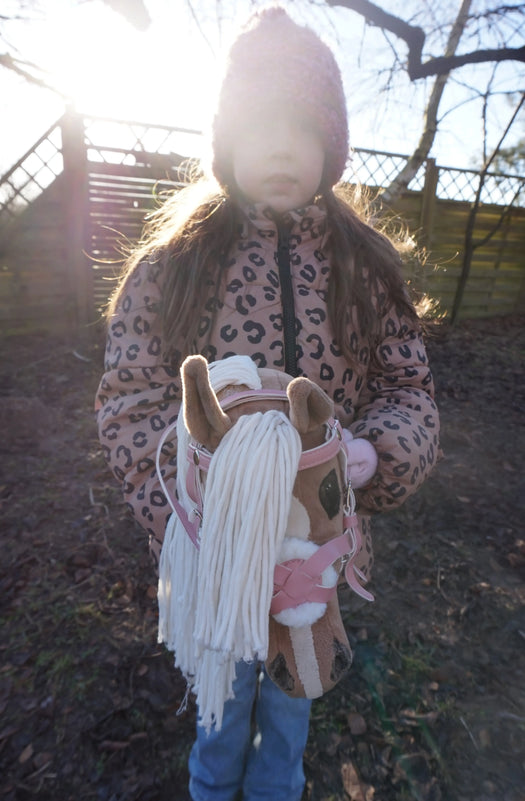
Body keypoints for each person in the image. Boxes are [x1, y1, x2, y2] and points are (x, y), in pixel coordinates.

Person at [95, 6, 440, 801]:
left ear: (333, 144)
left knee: (292, 695)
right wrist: (182, 503)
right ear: (224, 142)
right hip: (215, 547)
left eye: (303, 127)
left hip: (317, 547)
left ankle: (277, 785)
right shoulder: (174, 265)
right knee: (220, 705)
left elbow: (406, 388)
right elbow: (133, 396)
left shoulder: (367, 270)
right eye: (259, 125)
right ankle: (212, 785)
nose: (282, 146)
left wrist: (374, 455)